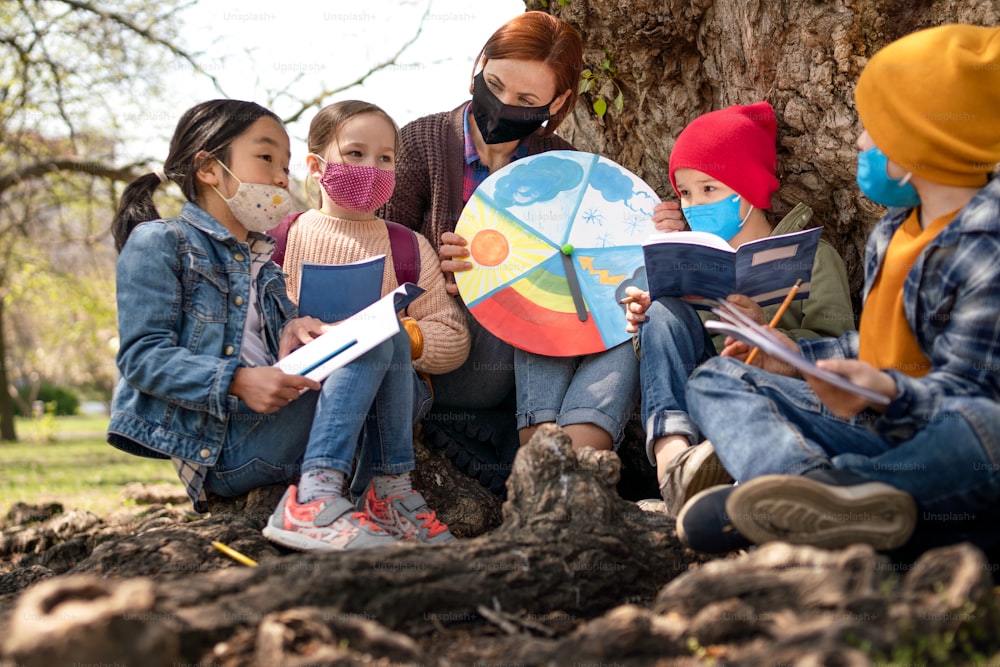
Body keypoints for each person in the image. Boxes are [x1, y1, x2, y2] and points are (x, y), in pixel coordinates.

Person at [676, 24, 1000, 555]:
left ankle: (851, 495)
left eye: (873, 127)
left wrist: (889, 391)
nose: (859, 142)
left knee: (988, 427)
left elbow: (970, 393)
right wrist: (791, 358)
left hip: (945, 438)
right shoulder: (895, 231)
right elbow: (882, 348)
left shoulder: (988, 241)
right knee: (718, 378)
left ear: (926, 133)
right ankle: (811, 491)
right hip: (877, 426)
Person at [107, 99, 454, 553]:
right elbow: (141, 357)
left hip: (272, 422)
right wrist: (238, 381)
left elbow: (258, 339)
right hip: (224, 447)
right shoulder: (161, 242)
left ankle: (388, 491)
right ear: (209, 168)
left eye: (285, 165)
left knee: (378, 333)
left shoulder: (260, 262)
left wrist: (293, 328)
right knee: (368, 341)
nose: (279, 177)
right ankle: (315, 501)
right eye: (266, 157)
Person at [622, 101, 855, 518]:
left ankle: (758, 481)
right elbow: (671, 357)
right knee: (663, 311)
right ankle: (673, 468)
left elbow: (834, 349)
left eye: (710, 190)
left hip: (774, 398)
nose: (695, 205)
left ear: (747, 187)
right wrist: (648, 319)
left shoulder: (815, 258)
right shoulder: (686, 258)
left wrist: (769, 335)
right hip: (699, 402)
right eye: (686, 193)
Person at [380, 11, 584, 483]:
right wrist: (434, 266)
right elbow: (380, 255)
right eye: (493, 83)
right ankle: (541, 459)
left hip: (539, 359)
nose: (502, 103)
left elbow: (593, 266)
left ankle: (553, 453)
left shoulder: (567, 165)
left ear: (559, 101)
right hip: (450, 352)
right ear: (479, 63)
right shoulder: (421, 142)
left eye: (526, 99)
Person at [280, 99, 470, 497]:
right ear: (316, 167)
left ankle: (389, 494)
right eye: (355, 154)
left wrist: (398, 335)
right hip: (303, 395)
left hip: (392, 404)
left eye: (385, 158)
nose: (372, 168)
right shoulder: (281, 240)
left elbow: (454, 337)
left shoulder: (410, 247)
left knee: (383, 341)